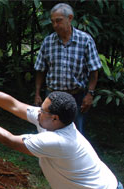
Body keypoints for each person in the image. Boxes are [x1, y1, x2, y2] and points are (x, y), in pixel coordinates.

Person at [34, 3, 101, 135]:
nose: (55, 25)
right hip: (52, 96)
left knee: (76, 134)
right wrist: (37, 93)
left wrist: (90, 94)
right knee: (47, 133)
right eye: (53, 22)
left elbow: (94, 70)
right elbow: (40, 69)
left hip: (76, 96)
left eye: (58, 21)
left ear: (70, 18)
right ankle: (49, 156)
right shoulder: (48, 42)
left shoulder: (85, 40)